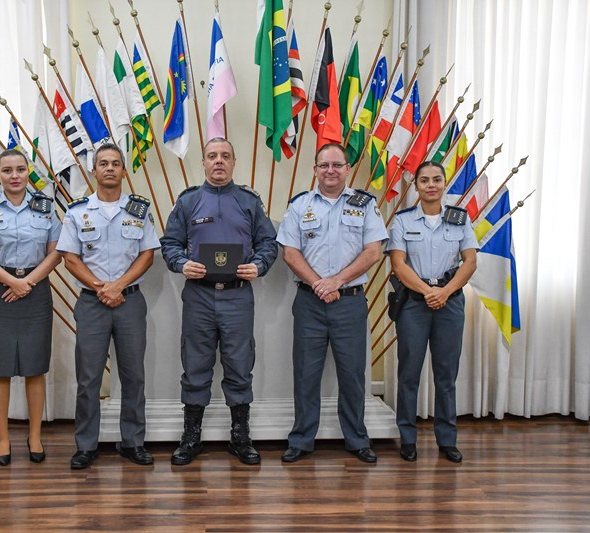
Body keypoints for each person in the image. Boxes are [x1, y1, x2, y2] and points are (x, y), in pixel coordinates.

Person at [160, 137, 278, 466]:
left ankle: (240, 436)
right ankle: (191, 437)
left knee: (240, 367)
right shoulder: (188, 202)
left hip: (238, 295)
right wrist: (183, 264)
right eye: (212, 156)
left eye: (225, 155)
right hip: (199, 296)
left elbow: (269, 243)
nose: (218, 161)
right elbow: (169, 243)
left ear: (234, 161)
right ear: (204, 163)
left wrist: (260, 265)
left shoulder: (249, 202)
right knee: (195, 367)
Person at [276, 143, 387, 464]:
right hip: (309, 302)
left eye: (337, 165)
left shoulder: (365, 205)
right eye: (324, 165)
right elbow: (290, 252)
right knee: (306, 373)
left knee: (352, 374)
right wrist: (318, 284)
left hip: (349, 302)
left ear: (347, 169)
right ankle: (301, 440)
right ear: (315, 170)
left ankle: (356, 439)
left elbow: (373, 251)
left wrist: (335, 282)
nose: (330, 171)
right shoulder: (300, 206)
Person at [56, 143, 160, 470]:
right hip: (92, 303)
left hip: (130, 302)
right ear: (94, 171)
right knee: (88, 378)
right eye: (104, 163)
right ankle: (86, 445)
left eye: (116, 163)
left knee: (133, 377)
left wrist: (117, 286)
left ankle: (133, 442)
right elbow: (69, 258)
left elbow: (147, 255)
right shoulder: (77, 211)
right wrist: (102, 287)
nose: (110, 168)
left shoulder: (139, 209)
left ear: (123, 170)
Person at [0, 149, 62, 466]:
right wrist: (12, 281)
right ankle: (4, 438)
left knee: (35, 366)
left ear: (27, 172)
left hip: (34, 290)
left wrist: (27, 283)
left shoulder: (46, 209)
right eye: (8, 170)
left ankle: (34, 435)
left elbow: (56, 252)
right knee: (0, 367)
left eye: (21, 169)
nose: (15, 175)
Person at [386, 160, 478, 463]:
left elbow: (469, 262)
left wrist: (445, 292)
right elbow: (398, 264)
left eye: (436, 180)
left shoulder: (460, 219)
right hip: (414, 302)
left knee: (446, 375)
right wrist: (428, 292)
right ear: (416, 186)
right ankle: (408, 438)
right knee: (409, 373)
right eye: (424, 180)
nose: (431, 185)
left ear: (444, 183)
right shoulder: (402, 221)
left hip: (449, 302)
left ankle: (447, 439)